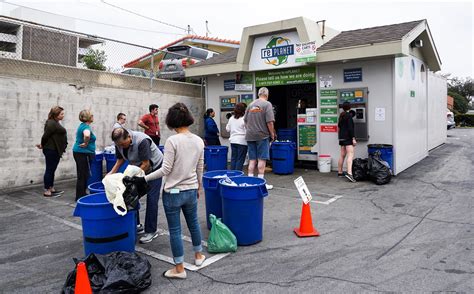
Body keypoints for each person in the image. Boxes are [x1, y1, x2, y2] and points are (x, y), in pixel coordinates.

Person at [131, 103, 205, 279]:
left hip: (172, 192)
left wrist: (144, 178)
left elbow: (165, 170)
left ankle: (179, 269)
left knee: (176, 230)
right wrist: (199, 186)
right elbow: (200, 167)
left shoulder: (172, 141)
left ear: (171, 121)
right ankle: (198, 255)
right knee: (193, 223)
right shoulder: (199, 141)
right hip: (191, 189)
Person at [109, 127, 164, 244]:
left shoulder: (142, 141)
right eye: (120, 145)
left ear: (129, 137)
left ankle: (151, 231)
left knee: (152, 198)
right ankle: (136, 224)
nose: (122, 147)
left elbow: (146, 164)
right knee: (131, 195)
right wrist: (110, 174)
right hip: (137, 167)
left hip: (154, 168)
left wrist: (131, 178)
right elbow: (120, 161)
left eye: (124, 144)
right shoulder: (119, 142)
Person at [244, 87, 276, 190]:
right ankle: (261, 184)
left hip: (250, 136)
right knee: (262, 159)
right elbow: (270, 122)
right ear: (267, 94)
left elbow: (245, 120)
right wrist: (272, 134)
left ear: (258, 94)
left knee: (252, 159)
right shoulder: (267, 104)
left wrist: (250, 129)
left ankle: (249, 182)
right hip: (262, 135)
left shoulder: (250, 105)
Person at [36, 106, 67, 197]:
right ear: (56, 115)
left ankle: (51, 188)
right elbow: (45, 136)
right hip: (51, 150)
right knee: (49, 170)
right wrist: (42, 144)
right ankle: (47, 190)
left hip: (54, 150)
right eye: (61, 114)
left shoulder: (55, 122)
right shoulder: (51, 123)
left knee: (52, 170)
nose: (63, 115)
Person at [72, 110, 96, 201]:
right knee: (82, 174)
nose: (93, 116)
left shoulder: (83, 126)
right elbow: (87, 135)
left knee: (84, 174)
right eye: (92, 115)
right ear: (88, 117)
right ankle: (79, 196)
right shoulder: (86, 127)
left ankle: (82, 193)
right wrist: (86, 143)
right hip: (82, 153)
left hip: (81, 153)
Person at [338, 101, 357, 182]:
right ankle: (349, 173)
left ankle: (340, 172)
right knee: (350, 155)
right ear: (350, 107)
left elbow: (339, 127)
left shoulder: (341, 115)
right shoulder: (349, 116)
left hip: (341, 138)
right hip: (348, 138)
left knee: (342, 155)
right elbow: (350, 129)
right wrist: (353, 138)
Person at [226, 103, 248, 171]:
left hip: (233, 141)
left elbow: (227, 129)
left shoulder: (231, 118)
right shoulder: (244, 119)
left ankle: (232, 174)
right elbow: (247, 130)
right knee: (240, 159)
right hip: (242, 141)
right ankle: (237, 175)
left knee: (233, 158)